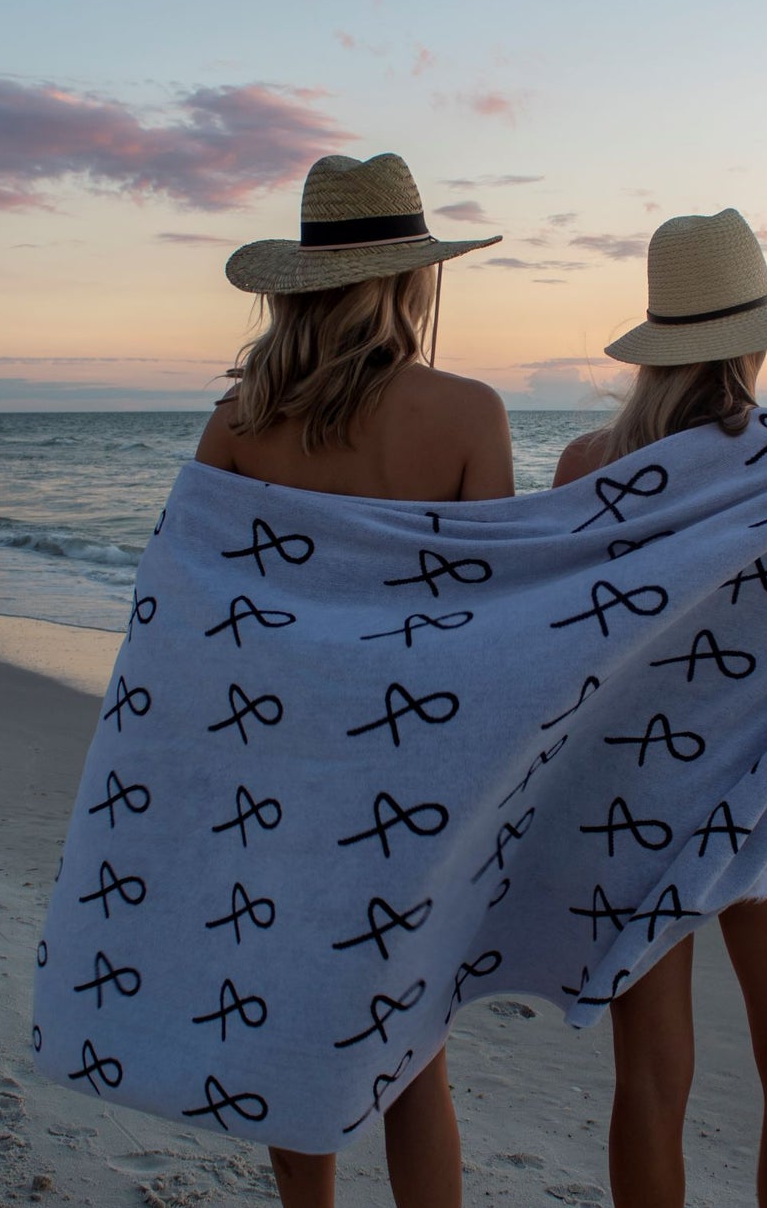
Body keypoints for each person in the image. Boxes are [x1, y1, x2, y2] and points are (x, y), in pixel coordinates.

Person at [196, 151, 514, 1208]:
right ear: (413, 277)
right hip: (409, 774)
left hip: (273, 769)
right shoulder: (467, 414)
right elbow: (492, 626)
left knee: (286, 1028)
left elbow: (195, 612)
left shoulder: (239, 420)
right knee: (414, 1051)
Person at [553, 208, 767, 1208]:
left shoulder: (586, 467)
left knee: (648, 1081)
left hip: (634, 792)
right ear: (757, 336)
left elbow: (560, 648)